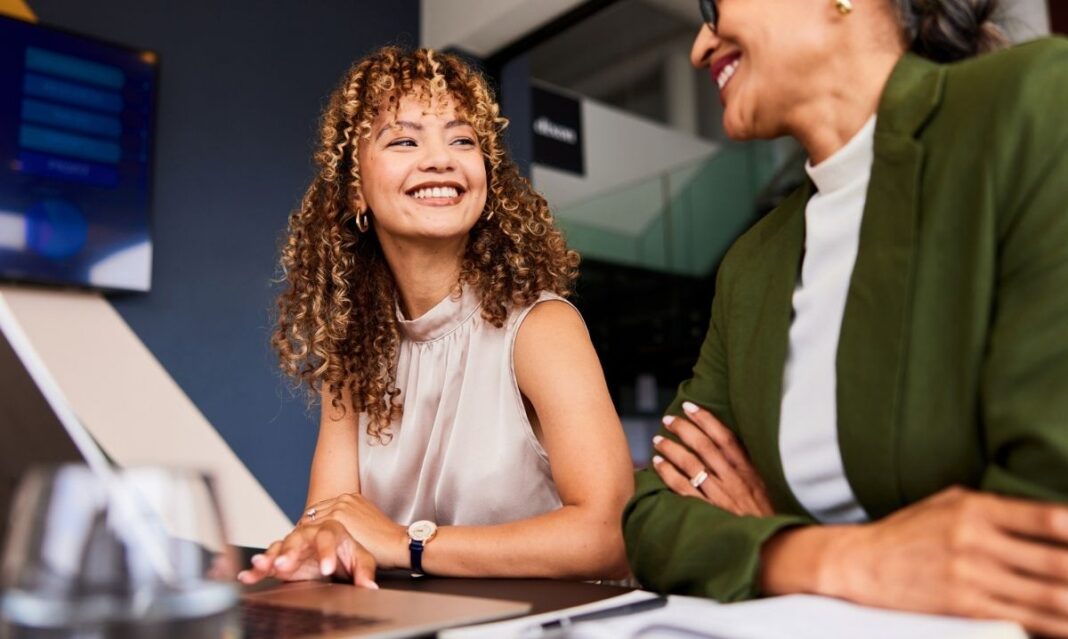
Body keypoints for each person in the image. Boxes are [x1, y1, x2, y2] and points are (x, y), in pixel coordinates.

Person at [623, 0, 1068, 635]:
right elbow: (654, 516)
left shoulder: (1035, 104)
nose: (699, 48)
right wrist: (816, 554)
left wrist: (760, 533)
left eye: (712, 5)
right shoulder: (752, 263)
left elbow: (1042, 540)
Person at [239, 47, 632, 588]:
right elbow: (331, 523)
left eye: (462, 140)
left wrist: (408, 543)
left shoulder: (541, 328)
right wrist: (316, 547)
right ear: (355, 190)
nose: (440, 159)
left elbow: (611, 536)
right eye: (404, 141)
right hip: (420, 619)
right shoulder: (353, 356)